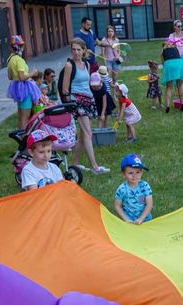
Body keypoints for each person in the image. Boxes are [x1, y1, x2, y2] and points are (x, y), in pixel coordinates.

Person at [57, 39, 108, 174]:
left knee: (83, 134)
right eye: (73, 49)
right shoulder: (69, 65)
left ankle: (74, 163)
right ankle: (95, 167)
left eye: (79, 49)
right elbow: (65, 89)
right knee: (88, 133)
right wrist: (70, 106)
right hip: (77, 102)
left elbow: (88, 84)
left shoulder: (86, 64)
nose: (76, 52)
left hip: (88, 100)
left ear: (84, 50)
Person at [5, 35, 36, 130]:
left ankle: (20, 138)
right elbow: (22, 77)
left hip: (17, 89)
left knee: (21, 117)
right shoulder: (19, 60)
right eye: (22, 45)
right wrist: (32, 73)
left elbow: (10, 77)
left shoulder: (10, 59)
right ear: (20, 47)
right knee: (25, 118)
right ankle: (24, 141)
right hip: (25, 89)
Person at [114, 153, 153, 224]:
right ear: (124, 174)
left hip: (145, 220)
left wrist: (141, 219)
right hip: (128, 221)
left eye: (138, 172)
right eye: (130, 173)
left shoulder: (145, 186)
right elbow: (117, 206)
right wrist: (126, 219)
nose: (134, 176)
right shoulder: (122, 189)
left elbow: (149, 204)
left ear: (142, 172)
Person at [160, 40, 183, 112]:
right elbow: (179, 57)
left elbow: (163, 63)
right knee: (180, 85)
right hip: (179, 63)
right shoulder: (175, 48)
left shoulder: (163, 51)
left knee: (169, 87)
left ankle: (168, 106)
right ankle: (182, 104)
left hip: (169, 64)